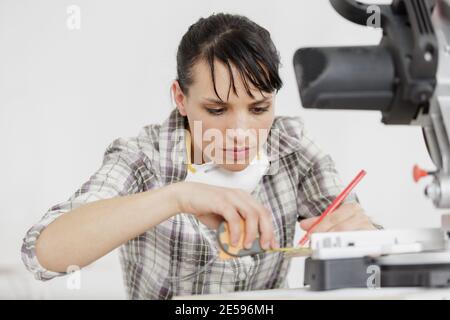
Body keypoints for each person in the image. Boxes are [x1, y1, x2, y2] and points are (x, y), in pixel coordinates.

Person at [22, 13, 380, 299]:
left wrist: (368, 239)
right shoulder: (144, 157)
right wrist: (178, 196)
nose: (241, 132)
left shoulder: (293, 148)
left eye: (258, 108)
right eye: (217, 109)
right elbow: (44, 255)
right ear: (180, 98)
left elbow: (373, 258)